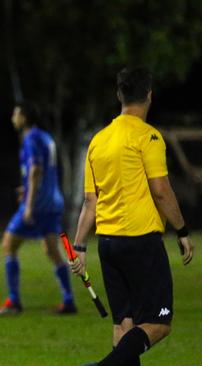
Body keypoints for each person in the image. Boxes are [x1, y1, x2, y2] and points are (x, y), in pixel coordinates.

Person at [71, 67, 194, 366]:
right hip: (141, 242)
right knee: (159, 322)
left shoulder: (99, 140)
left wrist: (79, 247)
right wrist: (181, 230)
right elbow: (161, 191)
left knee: (123, 325)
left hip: (108, 245)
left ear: (119, 95)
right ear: (149, 95)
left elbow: (90, 201)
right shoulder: (148, 137)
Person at [0, 101, 76, 315]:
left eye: (16, 113)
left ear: (24, 117)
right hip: (53, 201)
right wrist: (28, 188)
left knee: (8, 245)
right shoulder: (46, 137)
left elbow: (36, 170)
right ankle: (68, 300)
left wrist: (29, 203)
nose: (13, 117)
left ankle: (13, 302)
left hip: (38, 203)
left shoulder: (30, 138)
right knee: (52, 249)